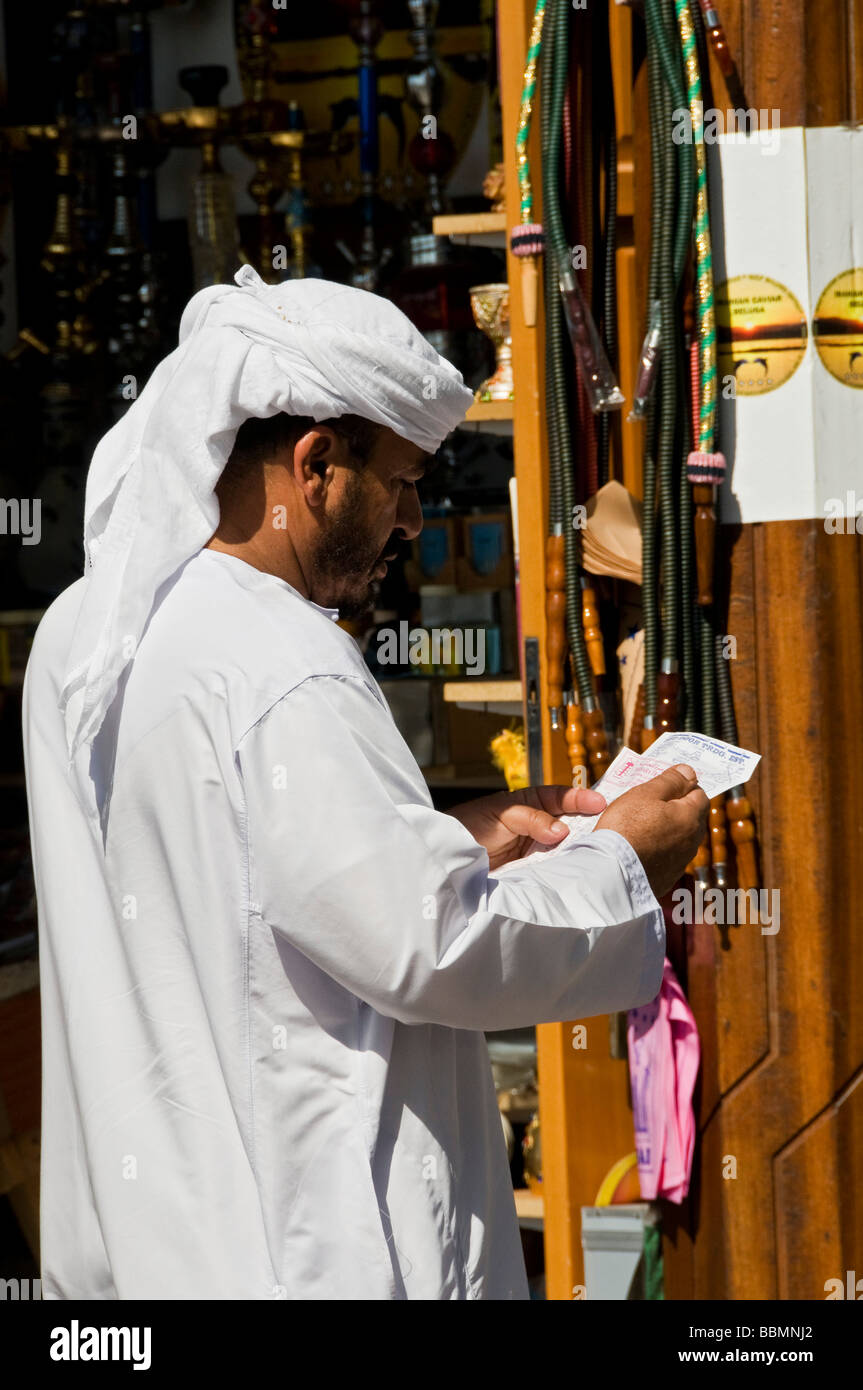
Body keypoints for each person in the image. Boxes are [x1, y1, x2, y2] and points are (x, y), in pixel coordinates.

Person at [23, 267, 708, 1300]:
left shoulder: (86, 634)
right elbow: (433, 947)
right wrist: (623, 862)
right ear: (315, 467)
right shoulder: (283, 662)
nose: (412, 524)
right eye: (400, 484)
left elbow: (242, 885)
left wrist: (435, 835)